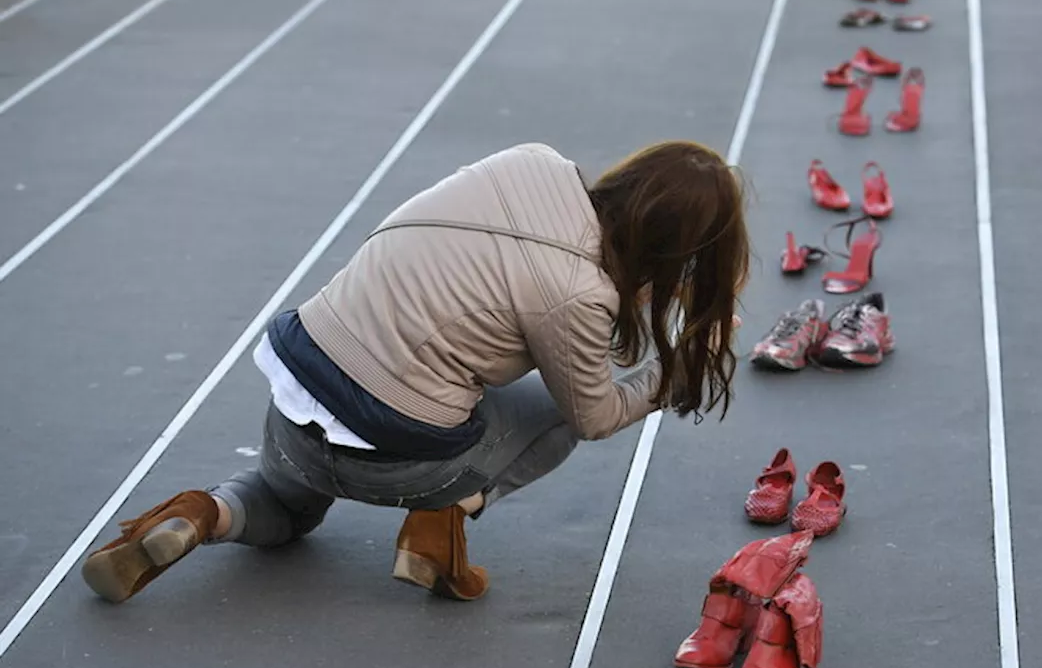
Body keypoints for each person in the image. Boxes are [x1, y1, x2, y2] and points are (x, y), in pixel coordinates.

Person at [81, 140, 750, 603]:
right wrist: (672, 376)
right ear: (681, 253)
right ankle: (448, 507)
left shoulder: (529, 163)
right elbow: (596, 415)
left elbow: (508, 271)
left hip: (299, 390)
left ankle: (201, 515)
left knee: (282, 503)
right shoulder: (580, 296)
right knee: (564, 406)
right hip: (402, 458)